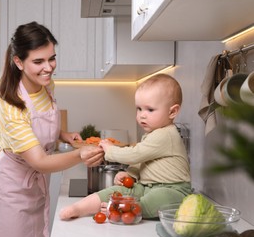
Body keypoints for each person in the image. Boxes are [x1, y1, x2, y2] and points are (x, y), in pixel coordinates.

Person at [0, 21, 104, 237]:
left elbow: (40, 123)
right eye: (38, 61)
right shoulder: (11, 107)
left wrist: (63, 134)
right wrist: (80, 155)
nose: (48, 67)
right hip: (12, 189)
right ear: (18, 62)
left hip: (37, 186)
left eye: (52, 58)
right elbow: (39, 161)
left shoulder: (46, 86)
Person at [59, 74, 192, 221]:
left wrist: (110, 150)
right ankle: (78, 208)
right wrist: (131, 174)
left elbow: (136, 154)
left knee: (156, 199)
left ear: (172, 111)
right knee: (115, 191)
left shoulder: (166, 135)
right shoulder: (152, 134)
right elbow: (142, 160)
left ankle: (120, 210)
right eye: (139, 109)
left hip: (173, 190)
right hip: (146, 187)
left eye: (150, 110)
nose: (142, 115)